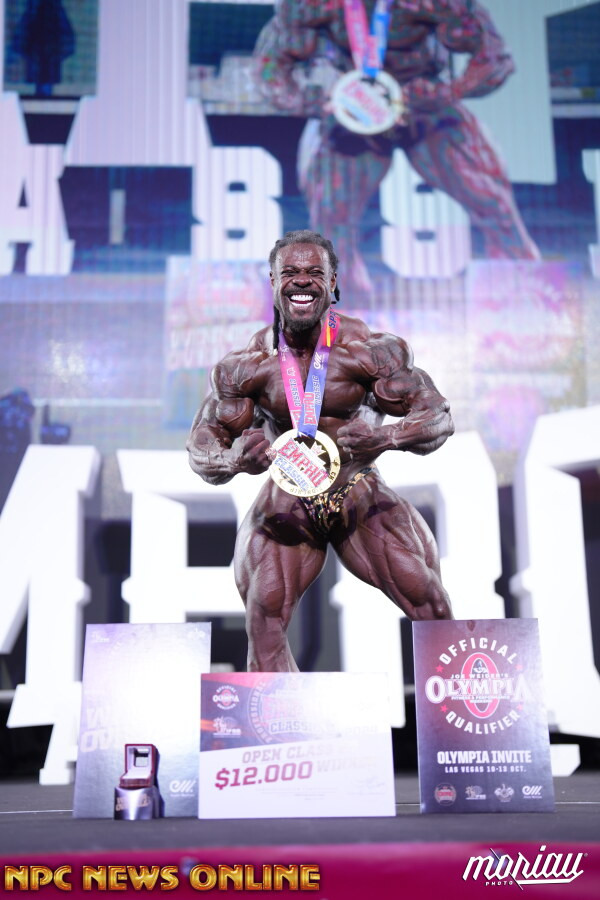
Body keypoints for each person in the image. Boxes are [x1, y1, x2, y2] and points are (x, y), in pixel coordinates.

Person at [187, 230, 453, 671]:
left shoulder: (370, 351)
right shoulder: (246, 366)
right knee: (264, 618)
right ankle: (280, 714)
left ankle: (457, 712)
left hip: (356, 488)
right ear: (273, 281)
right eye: (290, 272)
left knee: (429, 601)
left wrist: (385, 438)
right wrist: (233, 460)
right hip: (289, 496)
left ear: (332, 283)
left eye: (314, 272)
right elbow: (202, 444)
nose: (302, 280)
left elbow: (437, 416)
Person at [254, 0, 539, 297]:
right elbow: (269, 69)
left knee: (490, 198)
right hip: (356, 106)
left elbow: (494, 59)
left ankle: (529, 294)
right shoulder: (312, 4)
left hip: (422, 101)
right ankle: (344, 307)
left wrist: (448, 92)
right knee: (331, 215)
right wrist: (315, 102)